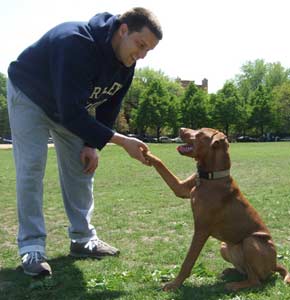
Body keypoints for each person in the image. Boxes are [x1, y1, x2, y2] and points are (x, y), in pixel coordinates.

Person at [7, 7, 162, 277]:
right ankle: (31, 246)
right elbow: (71, 113)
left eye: (148, 50)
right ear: (123, 30)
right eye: (140, 45)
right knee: (31, 167)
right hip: (30, 95)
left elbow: (108, 108)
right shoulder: (75, 42)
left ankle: (82, 239)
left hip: (67, 108)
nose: (142, 55)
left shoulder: (127, 64)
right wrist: (121, 141)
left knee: (82, 166)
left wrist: (93, 143)